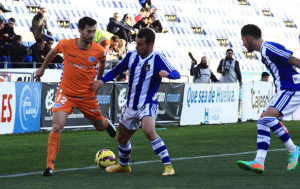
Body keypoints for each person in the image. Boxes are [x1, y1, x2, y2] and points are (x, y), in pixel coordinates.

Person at [35, 16, 116, 176]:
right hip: (66, 93)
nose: (92, 35)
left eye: (93, 31)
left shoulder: (99, 50)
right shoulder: (66, 44)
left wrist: (99, 80)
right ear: (80, 30)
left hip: (87, 96)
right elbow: (52, 52)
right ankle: (50, 166)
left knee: (99, 127)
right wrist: (42, 69)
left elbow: (101, 63)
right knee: (57, 126)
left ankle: (106, 123)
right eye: (88, 31)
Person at [95, 28, 180, 176]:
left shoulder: (157, 58)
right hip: (130, 105)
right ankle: (124, 165)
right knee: (122, 138)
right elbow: (116, 71)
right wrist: (102, 80)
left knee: (148, 130)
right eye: (136, 43)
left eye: (140, 44)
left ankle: (168, 166)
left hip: (147, 103)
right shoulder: (131, 56)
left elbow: (176, 74)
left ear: (150, 44)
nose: (137, 47)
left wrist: (168, 74)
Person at [236, 24, 300, 174]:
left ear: (249, 38)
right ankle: (259, 162)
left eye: (243, 40)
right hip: (284, 89)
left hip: (291, 88)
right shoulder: (264, 51)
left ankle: (293, 149)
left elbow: (294, 60)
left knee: (267, 118)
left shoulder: (268, 48)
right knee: (262, 120)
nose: (243, 44)